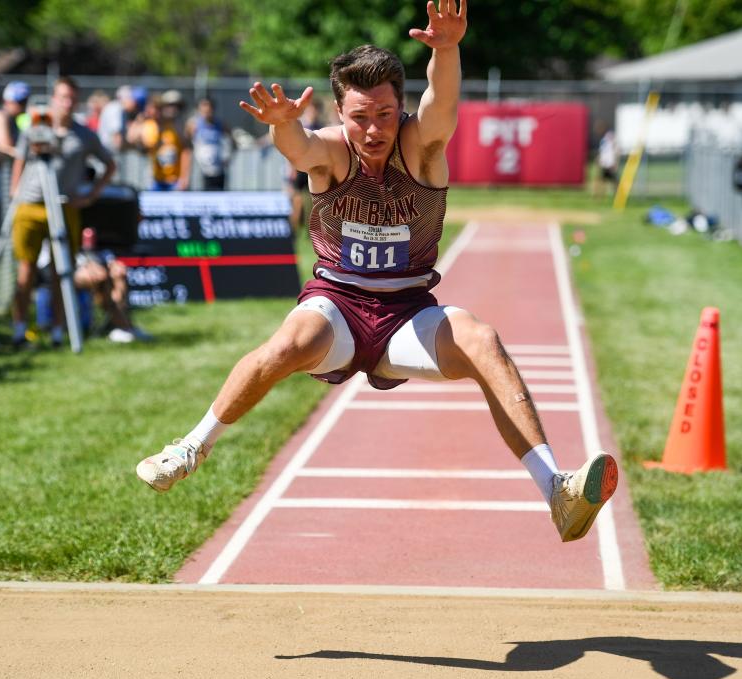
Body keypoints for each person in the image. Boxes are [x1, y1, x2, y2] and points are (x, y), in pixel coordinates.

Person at [135, 0, 618, 544]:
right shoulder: (332, 151)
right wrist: (283, 126)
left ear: (401, 110)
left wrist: (448, 50)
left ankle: (557, 490)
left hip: (407, 315)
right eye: (360, 117)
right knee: (287, 344)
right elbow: (299, 149)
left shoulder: (421, 145)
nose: (372, 130)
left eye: (385, 115)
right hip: (337, 307)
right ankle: (190, 448)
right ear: (341, 113)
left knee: (484, 342)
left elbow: (443, 102)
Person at [9, 76, 116, 348]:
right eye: (62, 97)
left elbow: (109, 165)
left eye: (71, 98)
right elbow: (20, 159)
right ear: (53, 99)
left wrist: (91, 195)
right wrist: (15, 191)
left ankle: (59, 331)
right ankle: (20, 329)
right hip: (31, 204)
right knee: (26, 269)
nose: (66, 104)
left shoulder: (83, 135)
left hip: (64, 206)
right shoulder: (36, 127)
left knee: (62, 272)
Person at [140, 90, 192, 191]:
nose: (172, 110)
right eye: (169, 106)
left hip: (174, 180)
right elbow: (144, 147)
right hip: (155, 179)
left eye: (176, 107)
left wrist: (184, 177)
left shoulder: (180, 127)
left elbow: (186, 151)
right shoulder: (150, 125)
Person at [284, 100, 324, 229]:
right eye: (311, 110)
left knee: (314, 201)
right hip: (300, 167)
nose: (313, 113)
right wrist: (292, 168)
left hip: (314, 167)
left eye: (315, 110)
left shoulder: (321, 127)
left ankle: (311, 231)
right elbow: (291, 148)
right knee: (297, 200)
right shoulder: (301, 126)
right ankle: (293, 230)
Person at [186, 97, 232, 190]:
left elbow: (230, 141)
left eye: (209, 108)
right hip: (200, 169)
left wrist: (227, 156)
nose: (207, 111)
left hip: (218, 169)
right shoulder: (193, 125)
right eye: (204, 108)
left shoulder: (220, 124)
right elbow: (186, 146)